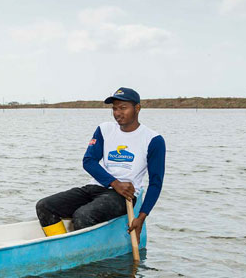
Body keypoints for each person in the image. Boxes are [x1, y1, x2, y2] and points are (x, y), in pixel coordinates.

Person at [35, 87, 165, 240]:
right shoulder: (105, 129)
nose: (117, 113)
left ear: (137, 108)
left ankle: (81, 248)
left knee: (83, 215)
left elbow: (156, 183)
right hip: (96, 187)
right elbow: (88, 161)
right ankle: (62, 246)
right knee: (44, 206)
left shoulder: (153, 139)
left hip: (123, 196)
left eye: (123, 108)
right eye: (114, 108)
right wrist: (114, 182)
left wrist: (141, 217)